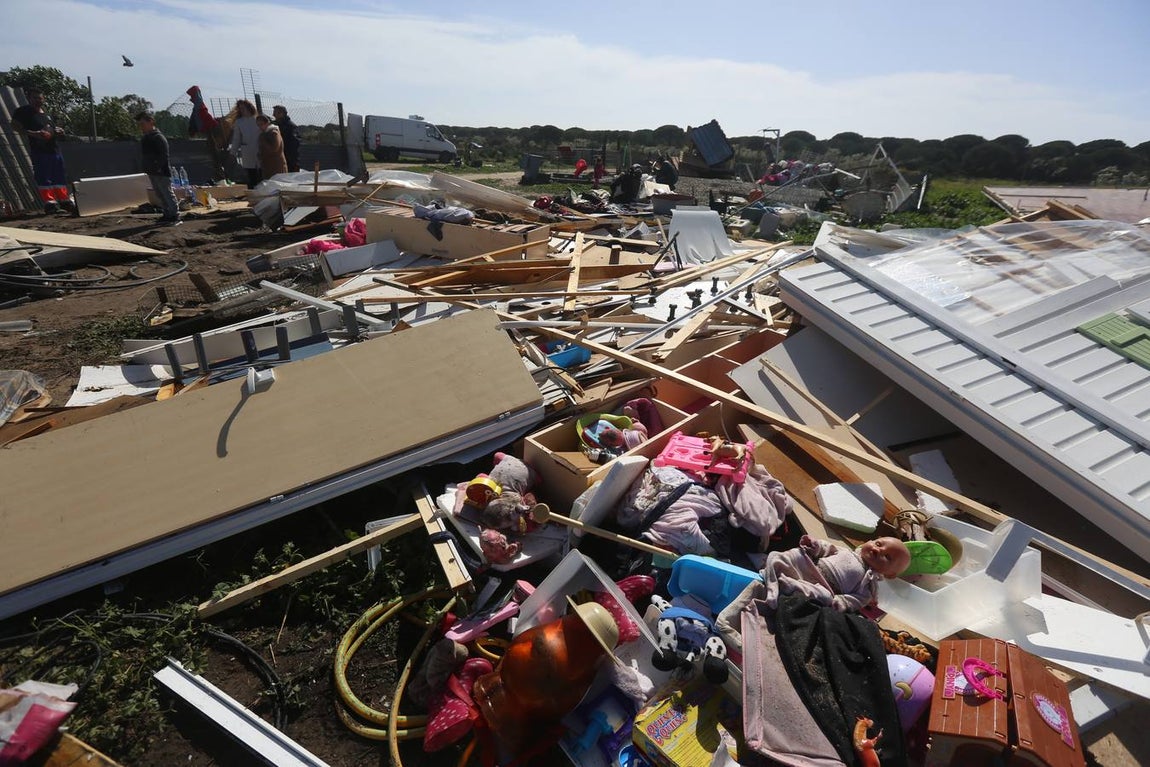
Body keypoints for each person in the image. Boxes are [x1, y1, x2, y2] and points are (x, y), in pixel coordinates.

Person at [11, 87, 74, 214]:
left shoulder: (47, 114)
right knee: (44, 177)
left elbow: (53, 129)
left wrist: (59, 131)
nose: (38, 100)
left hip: (54, 149)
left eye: (40, 98)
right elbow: (15, 126)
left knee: (59, 176)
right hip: (39, 150)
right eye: (35, 97)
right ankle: (50, 203)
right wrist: (34, 133)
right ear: (29, 98)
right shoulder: (23, 112)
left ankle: (64, 200)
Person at [136, 112, 181, 226]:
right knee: (159, 193)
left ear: (151, 122)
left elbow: (164, 155)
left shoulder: (158, 137)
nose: (141, 126)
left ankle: (174, 214)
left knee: (166, 192)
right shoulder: (146, 138)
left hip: (161, 171)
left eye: (143, 123)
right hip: (152, 171)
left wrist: (159, 167)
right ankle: (167, 213)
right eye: (140, 124)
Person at [186, 85, 228, 182]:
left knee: (214, 153)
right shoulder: (198, 105)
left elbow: (204, 117)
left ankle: (220, 176)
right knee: (214, 154)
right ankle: (219, 175)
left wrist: (212, 124)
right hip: (207, 131)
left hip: (209, 132)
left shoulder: (199, 105)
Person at [227, 99, 260, 188]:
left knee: (261, 175)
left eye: (244, 108)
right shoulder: (239, 122)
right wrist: (232, 153)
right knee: (251, 176)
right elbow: (236, 139)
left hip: (259, 151)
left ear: (249, 108)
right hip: (247, 152)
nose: (242, 110)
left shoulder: (258, 119)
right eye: (240, 108)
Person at [256, 114, 288, 180]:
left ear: (267, 123)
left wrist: (263, 140)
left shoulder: (274, 133)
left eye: (261, 124)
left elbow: (274, 148)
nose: (260, 127)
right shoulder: (264, 134)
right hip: (267, 166)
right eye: (258, 125)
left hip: (276, 166)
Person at [272, 105, 301, 172]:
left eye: (275, 113)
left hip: (289, 158)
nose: (273, 115)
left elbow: (295, 143)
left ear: (282, 113)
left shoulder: (290, 126)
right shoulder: (275, 125)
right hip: (278, 156)